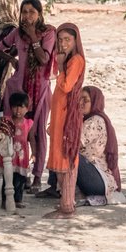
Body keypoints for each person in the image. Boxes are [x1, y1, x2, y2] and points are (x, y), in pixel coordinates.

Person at [0, 0, 56, 192]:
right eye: (24, 12)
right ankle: (19, 174)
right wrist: (12, 59)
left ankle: (37, 177)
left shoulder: (48, 32)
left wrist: (33, 36)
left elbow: (44, 59)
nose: (27, 16)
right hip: (20, 88)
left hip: (40, 89)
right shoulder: (17, 33)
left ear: (39, 14)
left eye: (32, 12)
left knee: (37, 133)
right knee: (18, 131)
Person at [42, 22, 85, 218]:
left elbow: (66, 87)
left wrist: (59, 67)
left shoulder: (75, 60)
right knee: (61, 157)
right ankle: (65, 203)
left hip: (67, 116)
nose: (63, 43)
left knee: (67, 158)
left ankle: (67, 207)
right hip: (60, 116)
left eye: (67, 40)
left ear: (75, 41)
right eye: (60, 40)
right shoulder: (68, 60)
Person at [77, 86, 126, 206]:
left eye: (86, 100)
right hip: (94, 178)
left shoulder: (95, 120)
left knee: (71, 155)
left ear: (94, 101)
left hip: (99, 180)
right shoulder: (86, 120)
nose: (81, 103)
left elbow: (74, 144)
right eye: (79, 99)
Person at [1, 91, 32, 210]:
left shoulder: (29, 123)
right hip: (9, 155)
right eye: (14, 107)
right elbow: (0, 135)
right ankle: (5, 200)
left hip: (22, 156)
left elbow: (32, 139)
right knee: (7, 178)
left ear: (27, 108)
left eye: (21, 107)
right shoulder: (6, 121)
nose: (18, 110)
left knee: (21, 178)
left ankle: (18, 199)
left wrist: (34, 153)